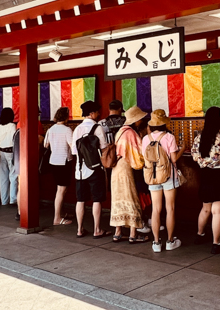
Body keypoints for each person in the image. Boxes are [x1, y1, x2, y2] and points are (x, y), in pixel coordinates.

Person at [143, 111, 185, 252]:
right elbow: (173, 159)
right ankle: (170, 240)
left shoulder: (145, 139)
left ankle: (156, 243)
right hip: (168, 176)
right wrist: (183, 148)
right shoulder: (169, 137)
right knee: (170, 208)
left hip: (152, 177)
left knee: (156, 209)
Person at [107, 105, 148, 243]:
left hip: (115, 170)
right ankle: (132, 234)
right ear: (136, 120)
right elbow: (140, 153)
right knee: (131, 198)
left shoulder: (120, 131)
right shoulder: (131, 133)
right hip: (126, 169)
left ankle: (118, 232)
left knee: (118, 200)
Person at [192, 105, 220, 253]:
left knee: (206, 208)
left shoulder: (199, 137)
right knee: (218, 211)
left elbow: (195, 156)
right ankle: (216, 243)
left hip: (205, 175)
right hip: (219, 176)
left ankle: (200, 235)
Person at [71, 100, 108, 238]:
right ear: (92, 113)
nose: (98, 114)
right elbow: (103, 148)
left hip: (80, 170)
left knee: (80, 200)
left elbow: (74, 151)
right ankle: (97, 229)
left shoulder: (77, 129)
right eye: (97, 112)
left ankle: (79, 229)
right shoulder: (97, 128)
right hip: (95, 168)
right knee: (97, 199)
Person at [45, 107, 74, 226]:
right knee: (61, 190)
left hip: (54, 161)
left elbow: (46, 145)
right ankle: (57, 218)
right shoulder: (67, 130)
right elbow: (73, 147)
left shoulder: (51, 129)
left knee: (61, 189)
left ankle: (61, 213)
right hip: (64, 161)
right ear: (66, 117)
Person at [0, 107, 18, 206]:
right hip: (11, 151)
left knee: (2, 177)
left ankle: (4, 200)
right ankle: (13, 199)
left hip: (1, 152)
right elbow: (15, 138)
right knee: (13, 175)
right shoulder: (12, 125)